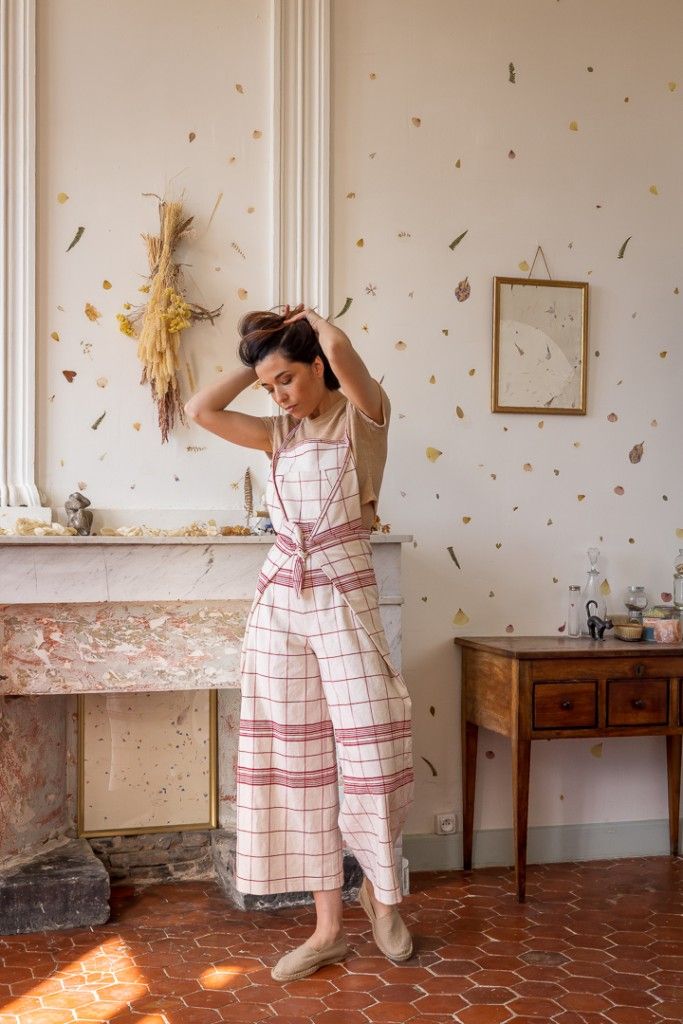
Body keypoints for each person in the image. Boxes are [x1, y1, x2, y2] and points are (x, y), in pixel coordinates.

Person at [184, 304, 414, 981]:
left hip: (343, 593)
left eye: (288, 378)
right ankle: (326, 929)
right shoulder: (276, 436)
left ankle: (384, 897)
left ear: (318, 366)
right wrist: (257, 357)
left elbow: (345, 357)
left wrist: (315, 322)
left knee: (370, 752)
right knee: (298, 758)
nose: (279, 395)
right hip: (280, 598)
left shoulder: (363, 419)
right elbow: (200, 408)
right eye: (269, 387)